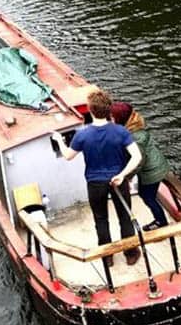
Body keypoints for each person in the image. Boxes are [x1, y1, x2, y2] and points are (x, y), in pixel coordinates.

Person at [52, 90, 143, 267]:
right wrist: (122, 175)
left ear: (90, 110)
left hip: (95, 183)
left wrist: (59, 140)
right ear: (109, 110)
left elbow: (68, 156)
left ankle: (107, 257)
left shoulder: (82, 135)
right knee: (124, 216)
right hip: (118, 180)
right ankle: (131, 253)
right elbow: (136, 157)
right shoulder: (121, 132)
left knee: (101, 219)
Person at [111, 102, 172, 231]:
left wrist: (127, 176)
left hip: (151, 172)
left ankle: (161, 221)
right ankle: (160, 219)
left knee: (147, 196)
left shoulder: (134, 137)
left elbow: (139, 161)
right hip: (158, 166)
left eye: (112, 117)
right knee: (147, 195)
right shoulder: (136, 129)